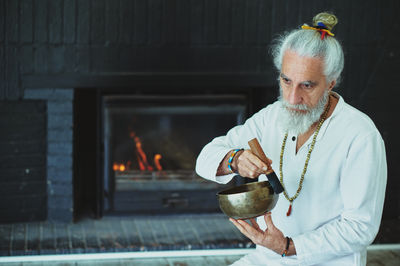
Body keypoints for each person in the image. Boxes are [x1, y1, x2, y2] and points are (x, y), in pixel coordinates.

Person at [195, 12, 387, 265]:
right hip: (268, 259)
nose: (293, 98)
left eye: (307, 85)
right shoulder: (272, 116)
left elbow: (360, 227)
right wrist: (235, 159)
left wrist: (289, 246)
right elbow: (204, 158)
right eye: (286, 81)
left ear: (331, 83)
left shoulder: (360, 135)